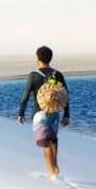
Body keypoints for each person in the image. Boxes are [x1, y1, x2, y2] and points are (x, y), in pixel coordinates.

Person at [16, 45, 71, 179]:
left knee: (45, 144)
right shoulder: (57, 74)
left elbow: (25, 96)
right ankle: (55, 164)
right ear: (50, 58)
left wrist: (21, 113)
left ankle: (52, 174)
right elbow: (65, 95)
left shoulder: (33, 75)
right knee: (53, 139)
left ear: (37, 58)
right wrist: (67, 114)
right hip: (54, 113)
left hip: (39, 114)